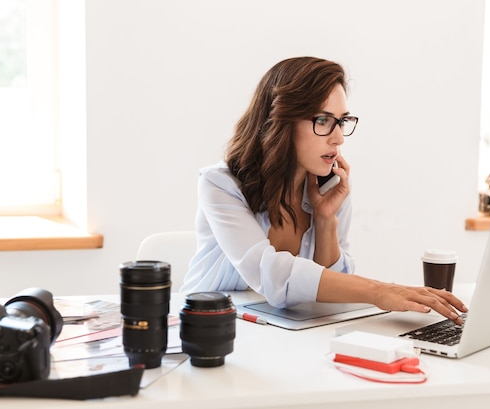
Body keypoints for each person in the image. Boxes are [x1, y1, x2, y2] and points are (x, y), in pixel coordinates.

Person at [181, 56, 467, 324]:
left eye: (342, 121)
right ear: (281, 121)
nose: (339, 137)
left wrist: (325, 218)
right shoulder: (220, 184)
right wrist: (378, 291)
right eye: (322, 120)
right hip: (208, 328)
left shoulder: (329, 184)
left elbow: (330, 291)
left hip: (283, 333)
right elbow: (272, 277)